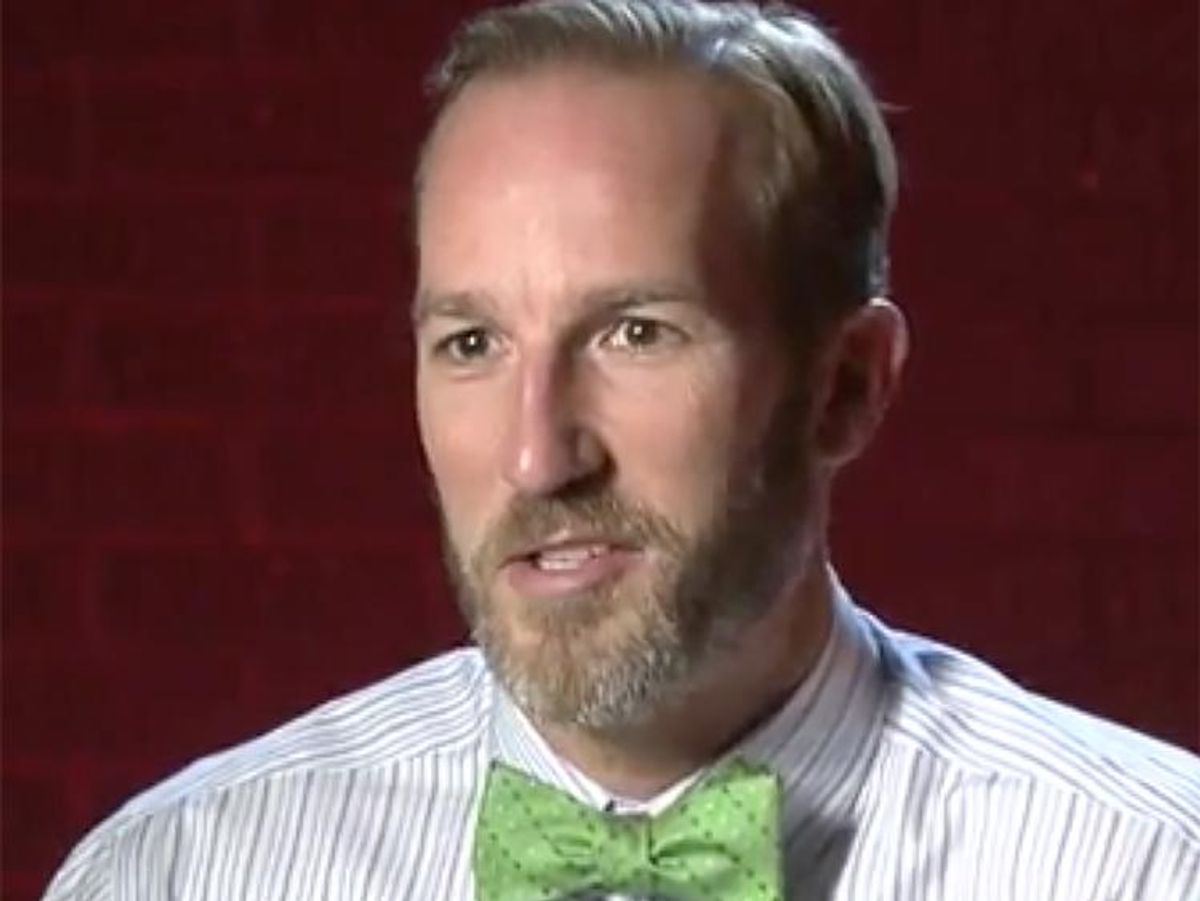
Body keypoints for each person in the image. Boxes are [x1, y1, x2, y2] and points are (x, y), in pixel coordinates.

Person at [45, 0, 1199, 898]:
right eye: (471, 343)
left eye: (636, 332)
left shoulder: (1148, 868)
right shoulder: (178, 873)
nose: (537, 457)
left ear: (845, 387)